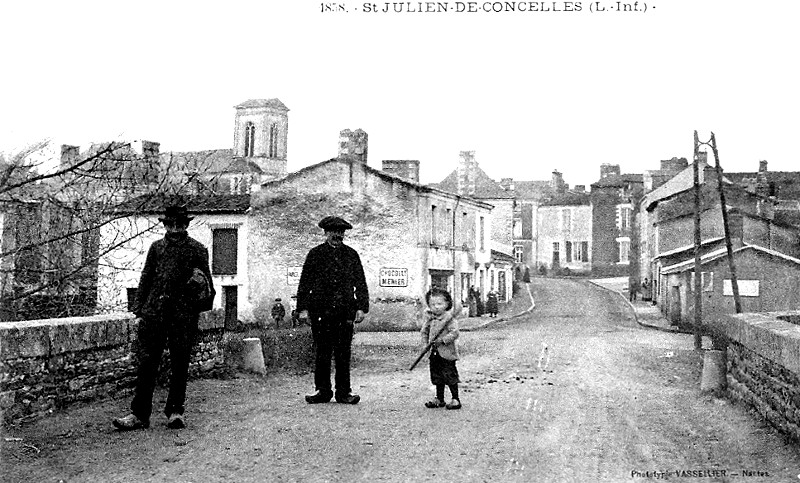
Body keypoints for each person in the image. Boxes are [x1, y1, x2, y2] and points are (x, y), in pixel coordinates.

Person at [113, 205, 215, 431]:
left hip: (182, 317)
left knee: (180, 365)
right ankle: (139, 414)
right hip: (154, 314)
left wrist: (194, 310)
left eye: (179, 224)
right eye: (170, 224)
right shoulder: (156, 248)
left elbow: (207, 284)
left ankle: (175, 412)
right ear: (165, 225)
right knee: (147, 363)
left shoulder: (197, 250)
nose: (175, 228)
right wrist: (139, 310)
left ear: (186, 225)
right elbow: (146, 277)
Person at [297, 216, 369, 405]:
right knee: (322, 352)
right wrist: (303, 308)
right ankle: (323, 391)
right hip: (320, 312)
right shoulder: (315, 254)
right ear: (325, 233)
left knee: (343, 353)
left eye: (340, 232)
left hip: (345, 312)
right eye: (333, 231)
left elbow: (360, 282)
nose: (337, 235)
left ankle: (344, 392)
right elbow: (305, 283)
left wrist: (361, 307)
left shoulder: (351, 255)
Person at [421, 287, 461, 410]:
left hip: (447, 353)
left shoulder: (449, 318)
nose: (436, 307)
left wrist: (443, 340)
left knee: (450, 375)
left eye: (440, 304)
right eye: (433, 304)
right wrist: (425, 345)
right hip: (434, 353)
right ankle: (439, 398)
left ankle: (455, 399)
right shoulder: (430, 319)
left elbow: (455, 333)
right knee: (437, 375)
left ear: (447, 304)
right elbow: (424, 332)